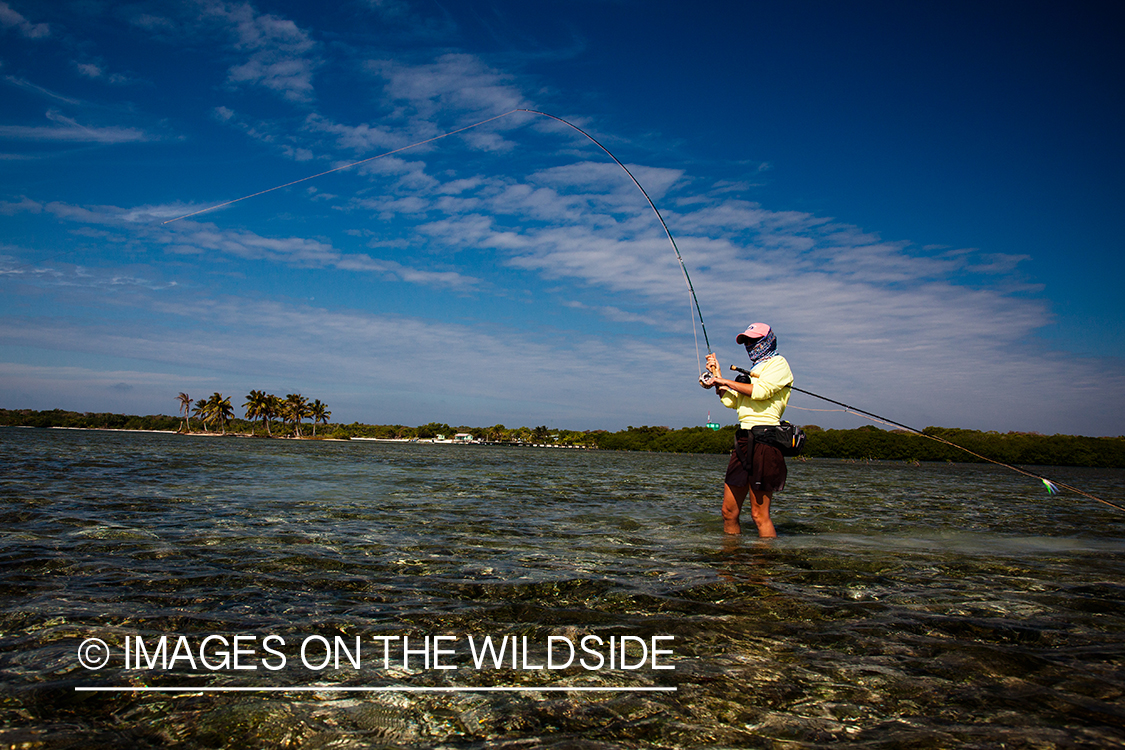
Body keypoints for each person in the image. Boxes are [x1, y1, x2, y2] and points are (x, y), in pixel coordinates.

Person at [699, 323, 793, 537]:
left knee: (759, 516)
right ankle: (731, 562)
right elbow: (731, 401)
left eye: (753, 340)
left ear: (768, 340)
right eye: (746, 342)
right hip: (743, 440)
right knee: (728, 512)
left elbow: (761, 391)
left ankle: (763, 566)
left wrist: (724, 380)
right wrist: (717, 374)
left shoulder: (779, 364)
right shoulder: (754, 370)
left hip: (766, 440)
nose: (749, 345)